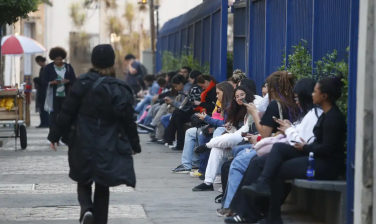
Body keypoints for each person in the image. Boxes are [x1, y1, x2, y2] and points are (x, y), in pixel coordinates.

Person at [47, 44, 141, 224]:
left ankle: (86, 209)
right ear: (112, 62)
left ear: (93, 61)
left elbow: (67, 112)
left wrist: (54, 136)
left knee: (83, 178)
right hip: (109, 142)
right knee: (102, 182)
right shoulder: (119, 87)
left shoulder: (81, 83)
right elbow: (128, 120)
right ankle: (100, 220)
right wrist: (134, 145)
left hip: (82, 139)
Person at [236, 76, 346, 224]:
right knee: (279, 149)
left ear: (324, 96)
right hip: (316, 157)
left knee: (279, 167)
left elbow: (328, 148)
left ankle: (271, 213)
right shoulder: (325, 114)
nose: (313, 95)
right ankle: (267, 203)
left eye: (315, 92)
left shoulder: (332, 117)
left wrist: (304, 146)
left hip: (326, 165)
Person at [218, 78, 321, 218]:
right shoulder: (304, 111)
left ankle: (239, 209)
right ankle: (250, 211)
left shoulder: (308, 113)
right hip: (287, 148)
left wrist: (256, 114)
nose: (265, 93)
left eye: (268, 89)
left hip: (298, 153)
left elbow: (272, 134)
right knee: (250, 160)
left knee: (242, 163)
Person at [192, 86, 254, 191]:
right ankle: (208, 182)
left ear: (248, 94)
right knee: (217, 149)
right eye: (237, 96)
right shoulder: (236, 109)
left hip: (246, 143)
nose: (239, 98)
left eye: (242, 95)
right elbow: (233, 128)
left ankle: (207, 146)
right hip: (236, 143)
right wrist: (230, 127)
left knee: (224, 137)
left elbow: (244, 131)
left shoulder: (252, 108)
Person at [171, 81, 234, 173]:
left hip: (218, 127)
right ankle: (188, 165)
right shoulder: (221, 103)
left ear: (225, 92)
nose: (216, 96)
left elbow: (223, 123)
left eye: (218, 93)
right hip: (212, 124)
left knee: (202, 133)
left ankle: (204, 168)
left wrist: (207, 119)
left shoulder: (230, 105)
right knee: (191, 132)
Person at [164, 75, 216, 150]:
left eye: (202, 85)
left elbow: (212, 106)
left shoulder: (212, 91)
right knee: (177, 114)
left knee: (177, 115)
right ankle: (173, 141)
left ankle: (171, 140)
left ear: (206, 82)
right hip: (199, 110)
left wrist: (200, 103)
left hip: (204, 113)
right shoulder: (207, 90)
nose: (202, 88)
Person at [42, 47, 76, 143]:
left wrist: (68, 81)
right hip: (53, 96)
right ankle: (53, 137)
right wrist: (52, 82)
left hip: (66, 96)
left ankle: (65, 136)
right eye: (56, 59)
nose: (58, 61)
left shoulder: (68, 67)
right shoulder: (48, 68)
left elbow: (74, 80)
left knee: (65, 116)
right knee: (53, 116)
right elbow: (44, 81)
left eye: (60, 59)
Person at [34, 56, 49, 128]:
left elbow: (44, 81)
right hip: (42, 90)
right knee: (41, 107)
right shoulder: (43, 69)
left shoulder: (45, 69)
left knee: (43, 107)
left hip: (44, 91)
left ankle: (45, 122)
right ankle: (43, 122)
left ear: (40, 61)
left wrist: (37, 80)